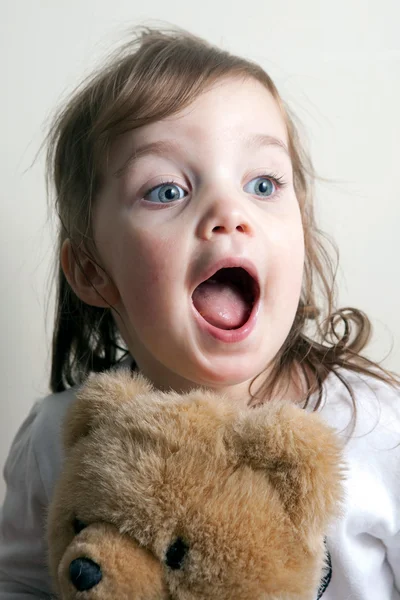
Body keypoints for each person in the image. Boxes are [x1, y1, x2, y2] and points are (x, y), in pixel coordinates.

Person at [0, 26, 399, 599]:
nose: (229, 212)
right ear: (92, 270)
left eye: (263, 183)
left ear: (303, 232)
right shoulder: (56, 441)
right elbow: (20, 583)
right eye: (166, 191)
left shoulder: (379, 434)